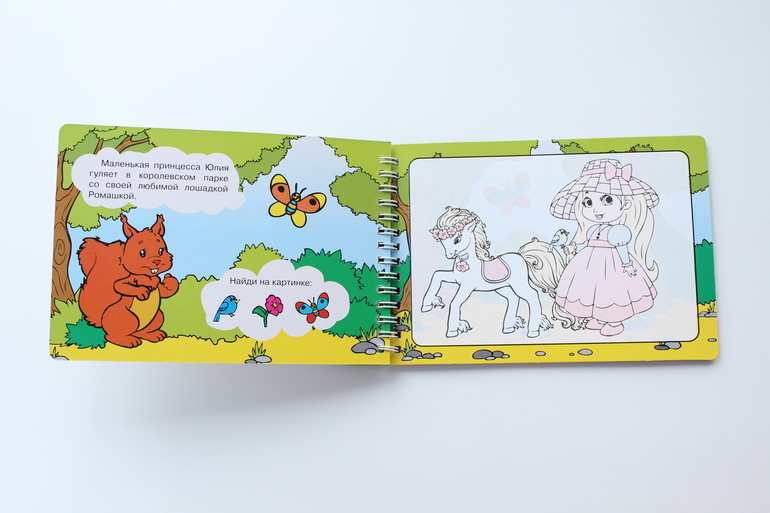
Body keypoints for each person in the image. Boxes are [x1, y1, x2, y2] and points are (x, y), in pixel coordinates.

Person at [549, 159, 659, 336]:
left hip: (612, 264)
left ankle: (614, 322)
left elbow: (622, 249)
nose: (595, 209)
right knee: (592, 290)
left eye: (607, 200)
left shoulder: (618, 231)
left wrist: (627, 265)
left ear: (626, 204)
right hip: (589, 263)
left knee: (611, 290)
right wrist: (574, 248)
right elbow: (587, 244)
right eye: (588, 202)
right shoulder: (593, 229)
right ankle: (600, 318)